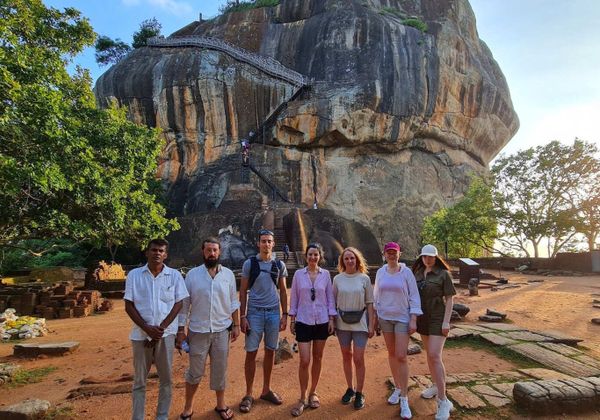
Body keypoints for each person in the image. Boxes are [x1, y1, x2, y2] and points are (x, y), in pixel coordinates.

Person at [124, 238, 188, 420]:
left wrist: (160, 329)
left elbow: (178, 303)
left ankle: (162, 416)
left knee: (166, 380)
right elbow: (129, 305)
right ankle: (138, 417)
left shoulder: (174, 276)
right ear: (147, 252)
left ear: (166, 255)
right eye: (154, 250)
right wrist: (146, 328)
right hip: (140, 335)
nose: (157, 253)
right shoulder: (135, 275)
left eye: (161, 251)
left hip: (165, 335)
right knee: (139, 381)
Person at [176, 237, 240, 420]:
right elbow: (185, 304)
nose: (212, 253)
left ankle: (221, 404)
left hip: (222, 330)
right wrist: (180, 330)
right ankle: (188, 408)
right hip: (198, 331)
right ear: (203, 252)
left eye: (215, 250)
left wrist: (236, 324)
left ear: (219, 252)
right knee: (195, 372)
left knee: (220, 370)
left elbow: (233, 302)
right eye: (208, 250)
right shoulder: (192, 275)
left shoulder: (228, 275)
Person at [238, 229, 288, 413]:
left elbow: (283, 291)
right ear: (258, 243)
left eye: (269, 241)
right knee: (251, 352)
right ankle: (248, 393)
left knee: (270, 351)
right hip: (254, 313)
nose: (266, 244)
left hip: (273, 313)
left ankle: (266, 389)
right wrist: (242, 316)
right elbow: (243, 291)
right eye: (263, 241)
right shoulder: (250, 264)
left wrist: (285, 314)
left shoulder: (279, 264)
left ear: (273, 244)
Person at [373, 242, 422, 420]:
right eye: (389, 252)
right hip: (385, 317)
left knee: (401, 356)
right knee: (392, 353)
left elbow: (414, 295)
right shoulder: (381, 272)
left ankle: (404, 398)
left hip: (402, 317)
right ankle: (398, 387)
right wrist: (376, 317)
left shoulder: (406, 272)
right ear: (384, 254)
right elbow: (376, 295)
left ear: (399, 254)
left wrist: (414, 318)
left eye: (394, 252)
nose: (392, 255)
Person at [288, 243, 336, 416]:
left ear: (320, 256)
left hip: (322, 320)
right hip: (303, 320)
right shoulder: (298, 275)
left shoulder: (326, 275)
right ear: (306, 256)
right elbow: (294, 297)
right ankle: (302, 397)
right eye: (310, 254)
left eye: (316, 255)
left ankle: (313, 392)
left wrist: (331, 319)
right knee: (304, 360)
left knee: (318, 357)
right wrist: (292, 319)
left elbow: (330, 297)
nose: (313, 257)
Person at [412, 244, 456, 420]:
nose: (427, 259)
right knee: (430, 356)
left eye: (430, 257)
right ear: (421, 257)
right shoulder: (417, 273)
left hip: (438, 318)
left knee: (435, 355)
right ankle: (436, 385)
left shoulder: (443, 274)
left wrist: (446, 322)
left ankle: (443, 400)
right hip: (422, 318)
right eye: (424, 256)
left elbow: (450, 299)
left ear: (436, 258)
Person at [333, 247, 375, 410]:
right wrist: (332, 321)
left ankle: (360, 392)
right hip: (342, 323)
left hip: (360, 323)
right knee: (346, 355)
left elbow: (370, 303)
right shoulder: (337, 279)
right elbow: (332, 302)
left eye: (352, 258)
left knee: (358, 358)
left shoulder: (364, 278)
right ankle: (350, 388)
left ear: (357, 259)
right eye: (346, 258)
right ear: (342, 261)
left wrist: (371, 324)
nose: (349, 261)